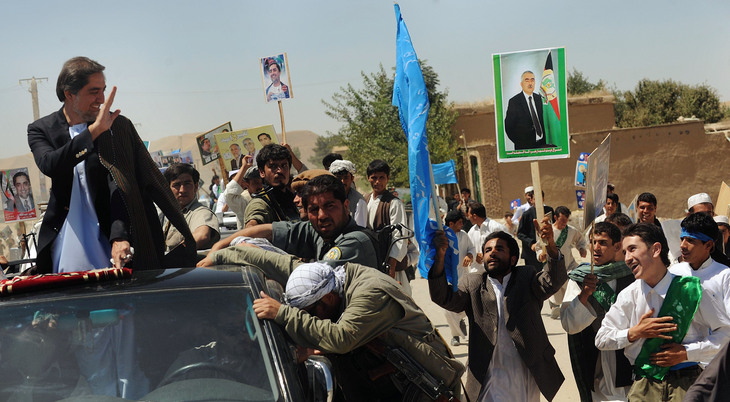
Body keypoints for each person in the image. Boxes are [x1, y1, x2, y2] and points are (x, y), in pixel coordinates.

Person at [211, 253, 464, 401]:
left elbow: (341, 338)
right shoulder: (322, 279)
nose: (312, 318)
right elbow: (278, 261)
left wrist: (283, 313)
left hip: (422, 387)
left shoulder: (369, 293)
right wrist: (222, 254)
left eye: (311, 314)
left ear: (329, 299)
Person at [27, 56, 194, 272]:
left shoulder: (117, 127)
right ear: (69, 94)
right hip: (67, 239)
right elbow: (49, 164)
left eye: (103, 90)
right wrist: (94, 131)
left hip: (114, 241)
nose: (102, 98)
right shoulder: (41, 129)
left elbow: (119, 184)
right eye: (94, 91)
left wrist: (120, 236)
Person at [429, 217, 566, 401]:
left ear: (513, 259)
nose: (492, 253)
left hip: (524, 371)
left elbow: (553, 281)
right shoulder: (473, 283)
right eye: (487, 250)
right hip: (489, 373)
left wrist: (550, 244)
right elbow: (443, 297)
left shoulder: (526, 277)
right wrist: (439, 256)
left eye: (499, 249)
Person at [595, 223, 730, 401]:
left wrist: (686, 352)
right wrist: (635, 332)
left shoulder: (691, 291)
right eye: (625, 251)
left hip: (687, 383)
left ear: (656, 250)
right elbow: (602, 339)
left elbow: (725, 335)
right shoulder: (629, 295)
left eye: (633, 249)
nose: (627, 258)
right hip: (644, 385)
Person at [203, 174, 377, 268]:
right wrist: (219, 247)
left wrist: (251, 252)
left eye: (330, 206)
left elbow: (312, 279)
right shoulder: (317, 230)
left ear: (346, 206)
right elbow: (270, 230)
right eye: (314, 210)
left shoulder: (355, 242)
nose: (322, 215)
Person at [560, 222, 635, 401]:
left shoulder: (632, 275)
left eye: (602, 243)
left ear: (617, 246)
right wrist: (584, 294)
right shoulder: (580, 277)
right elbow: (569, 324)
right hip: (595, 356)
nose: (596, 248)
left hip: (626, 354)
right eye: (592, 242)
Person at [669, 213, 730, 315]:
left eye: (690, 240)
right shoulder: (674, 272)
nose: (683, 245)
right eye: (682, 239)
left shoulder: (724, 276)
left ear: (708, 245)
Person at [364, 160, 410, 294]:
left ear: (387, 178)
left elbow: (399, 237)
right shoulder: (365, 200)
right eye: (374, 178)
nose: (377, 182)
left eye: (381, 177)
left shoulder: (394, 203)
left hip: (389, 264)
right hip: (372, 262)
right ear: (368, 178)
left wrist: (392, 266)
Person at [538, 206, 587, 318]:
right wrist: (540, 255)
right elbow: (539, 247)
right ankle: (555, 306)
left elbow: (580, 240)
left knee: (572, 286)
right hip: (552, 267)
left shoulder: (571, 231)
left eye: (566, 219)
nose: (565, 222)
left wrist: (581, 249)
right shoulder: (548, 231)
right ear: (555, 217)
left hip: (569, 265)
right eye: (562, 219)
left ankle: (569, 309)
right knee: (555, 290)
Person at [162, 163, 220, 251]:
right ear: (168, 189)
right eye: (177, 185)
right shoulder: (169, 214)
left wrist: (171, 257)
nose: (182, 190)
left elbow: (201, 236)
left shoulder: (201, 212)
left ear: (196, 186)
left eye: (187, 184)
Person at [243, 144, 299, 226]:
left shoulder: (294, 198)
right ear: (262, 172)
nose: (280, 171)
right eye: (273, 166)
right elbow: (251, 228)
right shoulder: (260, 203)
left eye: (284, 165)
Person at [443, 210, 474, 346]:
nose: (462, 225)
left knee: (467, 304)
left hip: (463, 275)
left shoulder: (464, 235)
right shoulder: (442, 236)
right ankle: (455, 335)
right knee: (447, 310)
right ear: (451, 223)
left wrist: (470, 256)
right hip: (447, 277)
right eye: (460, 222)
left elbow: (471, 248)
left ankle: (460, 320)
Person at [504, 71, 547, 150]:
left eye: (532, 80)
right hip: (524, 148)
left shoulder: (539, 99)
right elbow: (508, 127)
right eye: (527, 80)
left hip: (541, 145)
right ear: (521, 84)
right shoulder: (514, 102)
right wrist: (520, 143)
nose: (530, 83)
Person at [466, 200, 509, 274]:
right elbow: (469, 248)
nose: (468, 217)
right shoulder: (471, 231)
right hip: (477, 272)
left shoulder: (496, 227)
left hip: (495, 271)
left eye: (469, 215)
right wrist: (474, 255)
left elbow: (509, 245)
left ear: (475, 216)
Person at [517, 190, 555, 269]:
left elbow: (554, 226)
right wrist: (531, 244)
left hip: (548, 250)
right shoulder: (526, 214)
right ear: (531, 200)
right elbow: (520, 234)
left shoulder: (549, 210)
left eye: (540, 198)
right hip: (531, 254)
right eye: (536, 199)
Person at [329, 159, 367, 227]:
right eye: (339, 178)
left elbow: (360, 229)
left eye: (346, 178)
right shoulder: (327, 197)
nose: (343, 182)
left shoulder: (359, 202)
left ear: (352, 178)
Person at [224, 165, 262, 230]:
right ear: (246, 184)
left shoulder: (268, 195)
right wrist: (244, 167)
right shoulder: (243, 200)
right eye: (256, 182)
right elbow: (229, 195)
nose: (260, 186)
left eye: (262, 182)